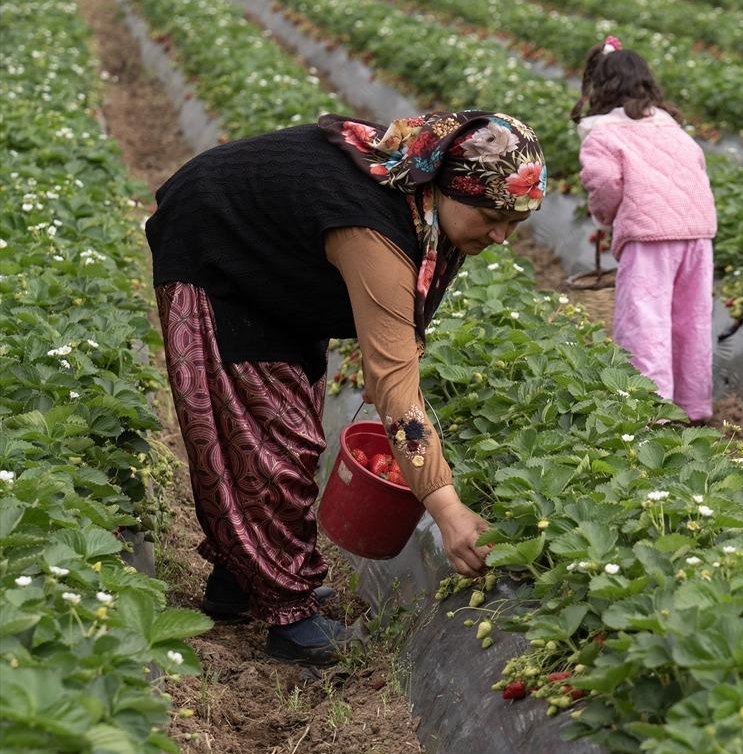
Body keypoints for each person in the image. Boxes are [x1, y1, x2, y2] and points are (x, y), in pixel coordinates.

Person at [146, 111, 546, 665]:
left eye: (516, 222)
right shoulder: (373, 229)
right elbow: (394, 383)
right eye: (493, 215)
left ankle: (239, 580)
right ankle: (288, 618)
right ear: (451, 187)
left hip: (281, 270)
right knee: (270, 441)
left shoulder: (425, 206)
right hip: (215, 248)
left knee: (292, 426)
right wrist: (447, 507)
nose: (501, 235)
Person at [573, 36, 717, 424]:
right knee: (692, 318)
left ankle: (651, 409)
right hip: (698, 231)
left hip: (650, 236)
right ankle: (692, 405)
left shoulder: (603, 132)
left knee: (645, 319)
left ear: (599, 87)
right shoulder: (669, 125)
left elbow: (603, 182)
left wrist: (605, 215)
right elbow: (697, 168)